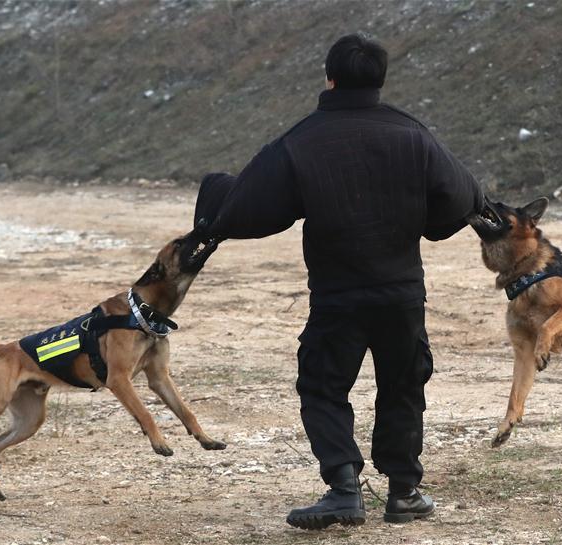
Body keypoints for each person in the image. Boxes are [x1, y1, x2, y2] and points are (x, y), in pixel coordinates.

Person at [193, 33, 484, 529]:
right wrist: (428, 224)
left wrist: (212, 212)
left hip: (337, 296)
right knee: (403, 386)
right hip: (401, 294)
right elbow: (464, 196)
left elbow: (248, 206)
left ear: (328, 77)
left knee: (323, 388)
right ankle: (404, 493)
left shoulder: (302, 140)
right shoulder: (414, 135)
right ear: (381, 78)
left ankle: (344, 488)